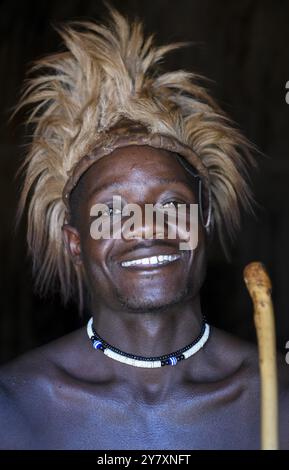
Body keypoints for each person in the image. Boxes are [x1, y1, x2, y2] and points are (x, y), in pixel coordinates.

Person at [0, 6, 288, 450]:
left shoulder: (275, 398)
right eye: (111, 212)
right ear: (76, 243)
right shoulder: (15, 406)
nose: (148, 228)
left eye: (172, 203)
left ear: (203, 221)